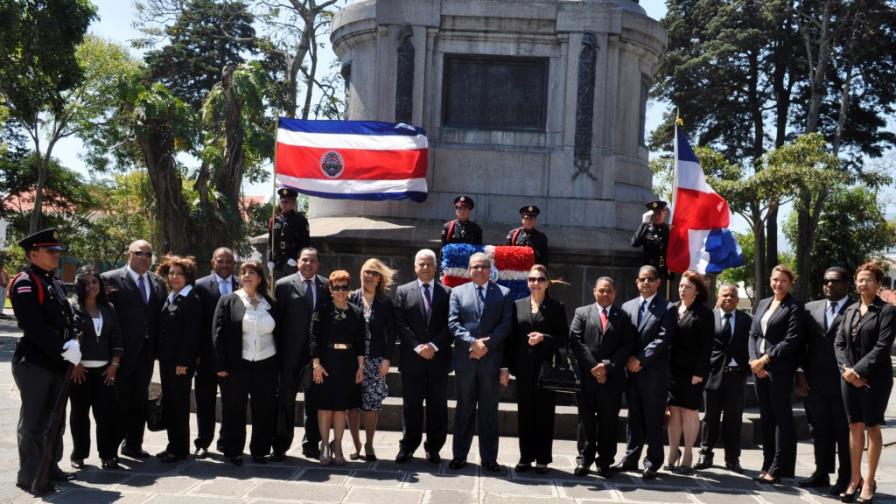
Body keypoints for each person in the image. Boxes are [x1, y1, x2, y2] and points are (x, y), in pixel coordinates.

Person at [10, 228, 79, 495]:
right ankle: (30, 475)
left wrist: (72, 344)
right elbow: (34, 326)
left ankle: (49, 467)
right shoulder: (25, 282)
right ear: (33, 253)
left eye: (57, 251)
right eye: (50, 251)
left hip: (57, 361)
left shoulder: (52, 282)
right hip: (36, 362)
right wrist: (63, 348)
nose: (56, 255)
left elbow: (67, 320)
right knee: (35, 422)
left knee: (56, 420)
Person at [834, 262, 895, 504]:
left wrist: (858, 372)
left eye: (868, 279)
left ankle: (869, 481)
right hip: (848, 378)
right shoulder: (849, 310)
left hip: (875, 380)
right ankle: (854, 478)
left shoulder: (888, 311)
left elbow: (882, 347)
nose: (863, 283)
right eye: (860, 279)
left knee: (872, 427)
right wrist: (846, 370)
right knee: (854, 426)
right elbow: (839, 343)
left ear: (878, 284)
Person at [447, 252, 514, 472]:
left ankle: (489, 459)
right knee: (464, 410)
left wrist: (486, 346)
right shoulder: (457, 292)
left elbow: (505, 326)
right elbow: (453, 323)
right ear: (469, 270)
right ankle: (459, 456)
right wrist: (473, 343)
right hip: (466, 361)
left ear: (490, 269)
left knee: (489, 412)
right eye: (475, 266)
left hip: (490, 363)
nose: (479, 270)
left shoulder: (504, 293)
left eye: (484, 266)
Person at [102, 240, 167, 460]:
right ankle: (111, 448)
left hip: (147, 353)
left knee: (139, 399)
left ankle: (133, 444)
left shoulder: (158, 282)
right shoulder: (110, 279)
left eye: (149, 254)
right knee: (118, 401)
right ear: (129, 254)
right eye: (140, 253)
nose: (145, 258)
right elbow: (105, 317)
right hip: (120, 352)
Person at [213, 261, 279, 465]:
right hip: (236, 364)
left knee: (264, 408)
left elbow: (280, 334)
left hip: (266, 363)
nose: (247, 275)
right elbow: (218, 334)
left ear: (260, 278)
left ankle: (260, 450)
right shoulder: (228, 300)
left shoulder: (270, 303)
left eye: (252, 272)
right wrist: (221, 365)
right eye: (243, 272)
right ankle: (233, 450)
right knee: (234, 408)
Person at [504, 264, 567, 474]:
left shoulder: (557, 307)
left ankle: (542, 458)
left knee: (544, 414)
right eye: (532, 279)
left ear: (547, 283)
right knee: (525, 413)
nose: (535, 283)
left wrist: (544, 338)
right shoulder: (517, 305)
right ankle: (525, 457)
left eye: (540, 279)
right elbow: (511, 339)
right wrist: (507, 367)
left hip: (546, 369)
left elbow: (564, 339)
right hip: (523, 369)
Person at [570, 276, 635, 478]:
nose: (605, 294)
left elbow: (627, 346)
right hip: (587, 380)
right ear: (594, 292)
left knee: (608, 422)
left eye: (609, 291)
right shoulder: (581, 313)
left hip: (611, 379)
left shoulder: (623, 317)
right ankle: (584, 460)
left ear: (614, 293)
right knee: (586, 421)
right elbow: (576, 342)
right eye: (601, 290)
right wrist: (594, 368)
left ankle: (605, 461)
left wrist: (606, 367)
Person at [272, 247, 330, 461]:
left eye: (312, 260)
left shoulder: (326, 286)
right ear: (297, 262)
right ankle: (280, 443)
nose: (308, 264)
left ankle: (311, 444)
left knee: (314, 401)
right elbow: (277, 322)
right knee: (285, 400)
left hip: (316, 355)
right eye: (304, 260)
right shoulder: (283, 286)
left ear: (318, 264)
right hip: (289, 354)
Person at [394, 249, 452, 464]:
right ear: (415, 267)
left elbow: (451, 324)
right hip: (412, 360)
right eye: (421, 264)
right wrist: (418, 347)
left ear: (435, 267)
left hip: (438, 359)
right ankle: (408, 446)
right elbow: (400, 323)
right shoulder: (402, 291)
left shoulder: (448, 292)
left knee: (438, 406)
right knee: (411, 406)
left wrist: (434, 345)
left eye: (429, 264)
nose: (425, 267)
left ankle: (434, 447)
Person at [797, 267, 851, 494]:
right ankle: (821, 473)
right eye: (826, 281)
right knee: (819, 430)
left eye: (835, 282)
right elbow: (801, 344)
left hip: (844, 383)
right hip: (815, 382)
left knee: (843, 431)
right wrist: (800, 373)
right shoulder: (810, 308)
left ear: (847, 285)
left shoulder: (856, 309)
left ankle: (846, 477)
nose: (829, 285)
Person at [749, 264, 804, 484]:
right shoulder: (763, 303)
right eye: (775, 279)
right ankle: (766, 463)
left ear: (790, 283)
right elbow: (753, 334)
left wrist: (766, 359)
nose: (778, 284)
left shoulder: (794, 307)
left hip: (779, 369)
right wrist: (754, 360)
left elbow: (791, 341)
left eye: (783, 280)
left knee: (782, 417)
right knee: (767, 417)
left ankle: (779, 467)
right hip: (758, 369)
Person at [616, 265, 670, 479]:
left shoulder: (667, 308)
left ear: (658, 282)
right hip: (631, 373)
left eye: (650, 279)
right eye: (642, 279)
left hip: (653, 374)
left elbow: (663, 339)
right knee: (634, 417)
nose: (645, 283)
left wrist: (641, 359)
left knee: (653, 419)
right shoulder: (627, 306)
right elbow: (623, 338)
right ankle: (631, 458)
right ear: (636, 282)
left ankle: (653, 461)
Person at [68, 266, 123, 470]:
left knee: (106, 414)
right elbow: (67, 338)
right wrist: (75, 363)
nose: (91, 286)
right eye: (86, 283)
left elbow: (117, 337)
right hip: (79, 372)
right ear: (79, 286)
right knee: (79, 414)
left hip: (105, 372)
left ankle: (108, 455)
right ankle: (79, 454)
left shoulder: (108, 308)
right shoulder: (72, 307)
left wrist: (114, 364)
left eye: (94, 282)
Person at [696, 283, 751, 474]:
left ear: (737, 299)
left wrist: (746, 369)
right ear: (718, 297)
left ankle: (732, 458)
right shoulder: (708, 318)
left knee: (734, 419)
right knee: (710, 417)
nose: (729, 298)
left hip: (736, 376)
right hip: (713, 374)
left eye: (733, 296)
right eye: (725, 295)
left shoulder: (746, 319)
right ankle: (705, 453)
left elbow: (750, 345)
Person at [310, 270, 365, 465]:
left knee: (341, 408)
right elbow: (314, 338)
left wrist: (360, 367)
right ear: (330, 290)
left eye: (344, 287)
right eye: (337, 287)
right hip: (326, 362)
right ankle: (325, 445)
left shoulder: (356, 312)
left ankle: (338, 444)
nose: (341, 291)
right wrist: (316, 364)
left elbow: (360, 342)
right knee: (325, 407)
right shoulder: (323, 310)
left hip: (348, 363)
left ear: (349, 289)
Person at [662, 271, 713, 474]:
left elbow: (707, 346)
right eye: (681, 286)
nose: (682, 290)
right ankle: (673, 452)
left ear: (697, 291)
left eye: (688, 287)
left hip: (693, 371)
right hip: (672, 370)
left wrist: (700, 371)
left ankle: (689, 452)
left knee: (689, 411)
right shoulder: (672, 309)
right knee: (674, 410)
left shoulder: (704, 313)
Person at [348, 258, 397, 461]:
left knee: (371, 404)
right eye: (366, 272)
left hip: (376, 360)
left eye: (374, 273)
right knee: (352, 403)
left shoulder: (385, 303)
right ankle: (355, 443)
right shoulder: (350, 298)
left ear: (380, 279)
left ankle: (368, 443)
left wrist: (387, 359)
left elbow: (392, 333)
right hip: (351, 360)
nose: (369, 276)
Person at [192, 247, 238, 457]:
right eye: (221, 261)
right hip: (206, 356)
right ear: (212, 263)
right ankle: (203, 442)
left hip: (234, 358)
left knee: (231, 403)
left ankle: (226, 442)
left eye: (229, 261)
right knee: (205, 401)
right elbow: (196, 322)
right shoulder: (200, 286)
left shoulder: (242, 285)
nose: (225, 265)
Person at [155, 255, 201, 463]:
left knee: (179, 405)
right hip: (167, 361)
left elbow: (191, 335)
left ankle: (180, 448)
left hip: (180, 363)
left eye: (179, 274)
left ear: (188, 277)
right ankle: (173, 444)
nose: (174, 277)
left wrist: (184, 362)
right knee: (171, 403)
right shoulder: (172, 296)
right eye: (171, 273)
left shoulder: (191, 299)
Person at [268, 187, 311, 281]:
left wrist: (296, 258)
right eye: (282, 201)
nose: (284, 204)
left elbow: (305, 243)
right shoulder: (274, 220)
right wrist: (270, 259)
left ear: (294, 202)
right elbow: (271, 243)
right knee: (277, 290)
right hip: (278, 262)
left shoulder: (300, 220)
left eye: (287, 201)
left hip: (293, 262)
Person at [630, 200, 670, 281]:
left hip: (664, 270)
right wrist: (644, 223)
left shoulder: (669, 230)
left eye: (659, 213)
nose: (656, 216)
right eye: (654, 214)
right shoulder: (646, 229)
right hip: (649, 270)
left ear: (664, 212)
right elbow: (634, 243)